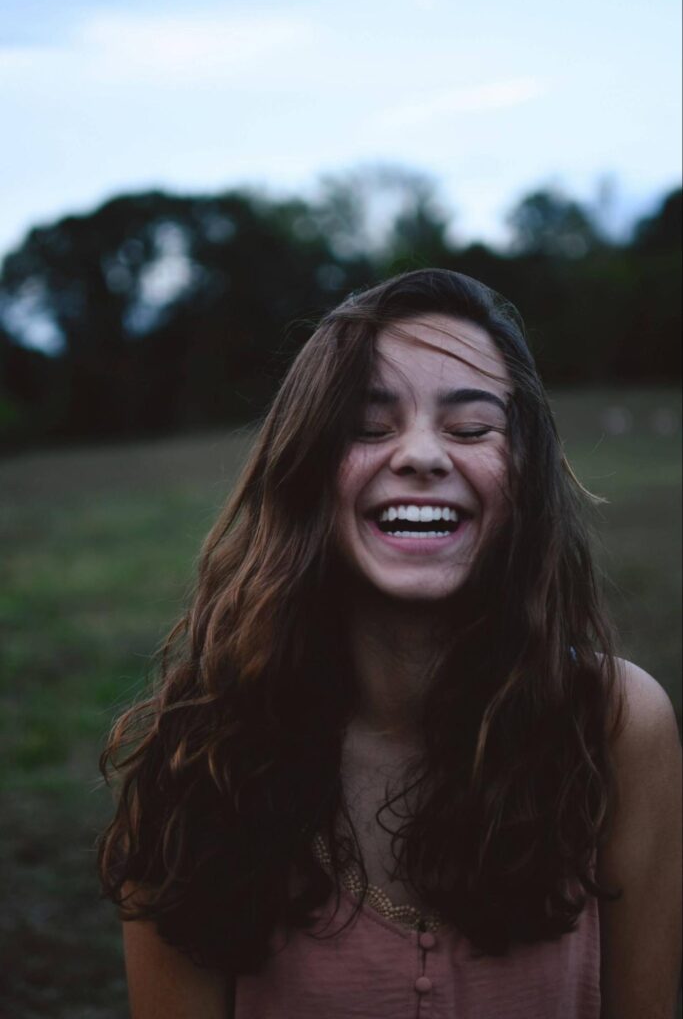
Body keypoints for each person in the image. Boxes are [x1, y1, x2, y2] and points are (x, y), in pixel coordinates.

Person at [97, 268, 681, 1018]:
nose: (421, 456)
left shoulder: (618, 727)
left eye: (470, 428)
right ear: (306, 471)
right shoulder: (194, 761)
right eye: (367, 427)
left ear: (524, 473)